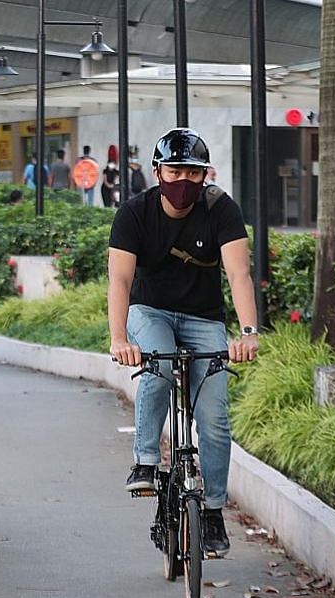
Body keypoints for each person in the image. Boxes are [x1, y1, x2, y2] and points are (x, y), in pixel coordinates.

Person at [107, 128, 259, 557]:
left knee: (214, 419)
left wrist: (247, 332)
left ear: (205, 174)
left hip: (203, 318)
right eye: (174, 170)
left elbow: (238, 275)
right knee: (155, 369)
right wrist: (120, 338)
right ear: (157, 171)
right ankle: (145, 462)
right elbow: (119, 279)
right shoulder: (134, 213)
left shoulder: (220, 209)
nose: (183, 181)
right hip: (149, 311)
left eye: (193, 172)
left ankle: (211, 512)